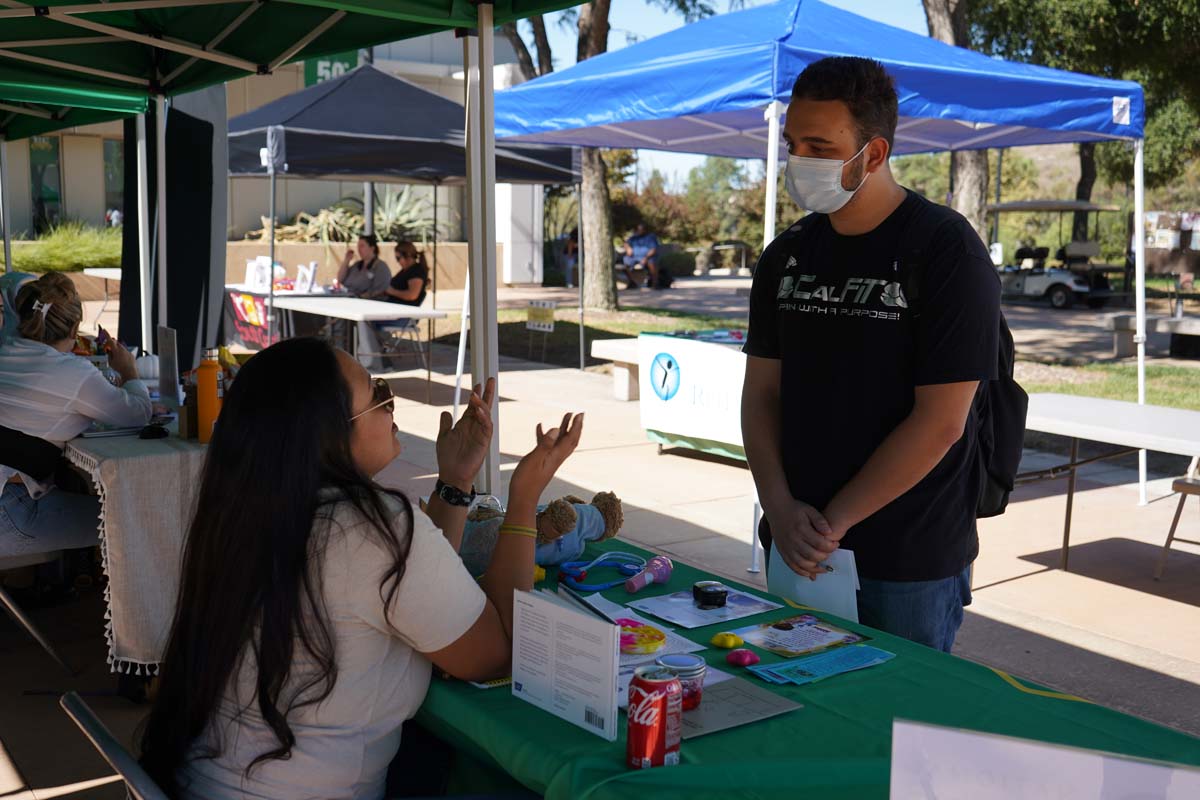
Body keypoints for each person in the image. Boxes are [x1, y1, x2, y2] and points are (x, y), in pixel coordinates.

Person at [139, 336, 584, 799]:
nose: (391, 405)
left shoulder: (241, 512)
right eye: (378, 396)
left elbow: (421, 590)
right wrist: (525, 498)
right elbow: (495, 652)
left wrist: (454, 483)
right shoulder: (372, 527)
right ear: (329, 434)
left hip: (195, 784)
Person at [740, 56, 1000, 653]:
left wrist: (833, 524)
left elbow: (941, 422)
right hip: (796, 545)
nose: (799, 160)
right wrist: (778, 508)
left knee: (892, 736)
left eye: (819, 145)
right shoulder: (786, 255)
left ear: (874, 154)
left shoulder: (945, 252)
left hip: (904, 560)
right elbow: (761, 396)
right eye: (792, 143)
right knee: (800, 724)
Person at [0, 273, 152, 558]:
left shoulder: (5, 351)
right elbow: (138, 414)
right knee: (140, 519)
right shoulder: (72, 372)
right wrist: (129, 370)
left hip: (9, 499)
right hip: (9, 514)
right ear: (74, 329)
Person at [337, 233, 391, 299]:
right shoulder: (357, 265)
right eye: (358, 246)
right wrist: (346, 260)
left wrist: (360, 297)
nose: (359, 249)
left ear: (372, 248)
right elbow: (340, 279)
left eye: (362, 246)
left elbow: (379, 290)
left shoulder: (381, 267)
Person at [383, 241, 428, 307]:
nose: (397, 261)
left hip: (402, 312)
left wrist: (392, 291)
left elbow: (412, 295)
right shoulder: (406, 270)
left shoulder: (416, 271)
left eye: (398, 258)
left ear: (408, 255)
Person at [621, 223, 660, 289]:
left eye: (641, 229)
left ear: (645, 230)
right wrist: (628, 248)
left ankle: (655, 283)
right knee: (626, 261)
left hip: (648, 257)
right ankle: (632, 282)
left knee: (652, 263)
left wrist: (645, 258)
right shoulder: (634, 237)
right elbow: (626, 243)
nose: (639, 231)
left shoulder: (650, 237)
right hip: (634, 257)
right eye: (638, 230)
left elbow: (653, 250)